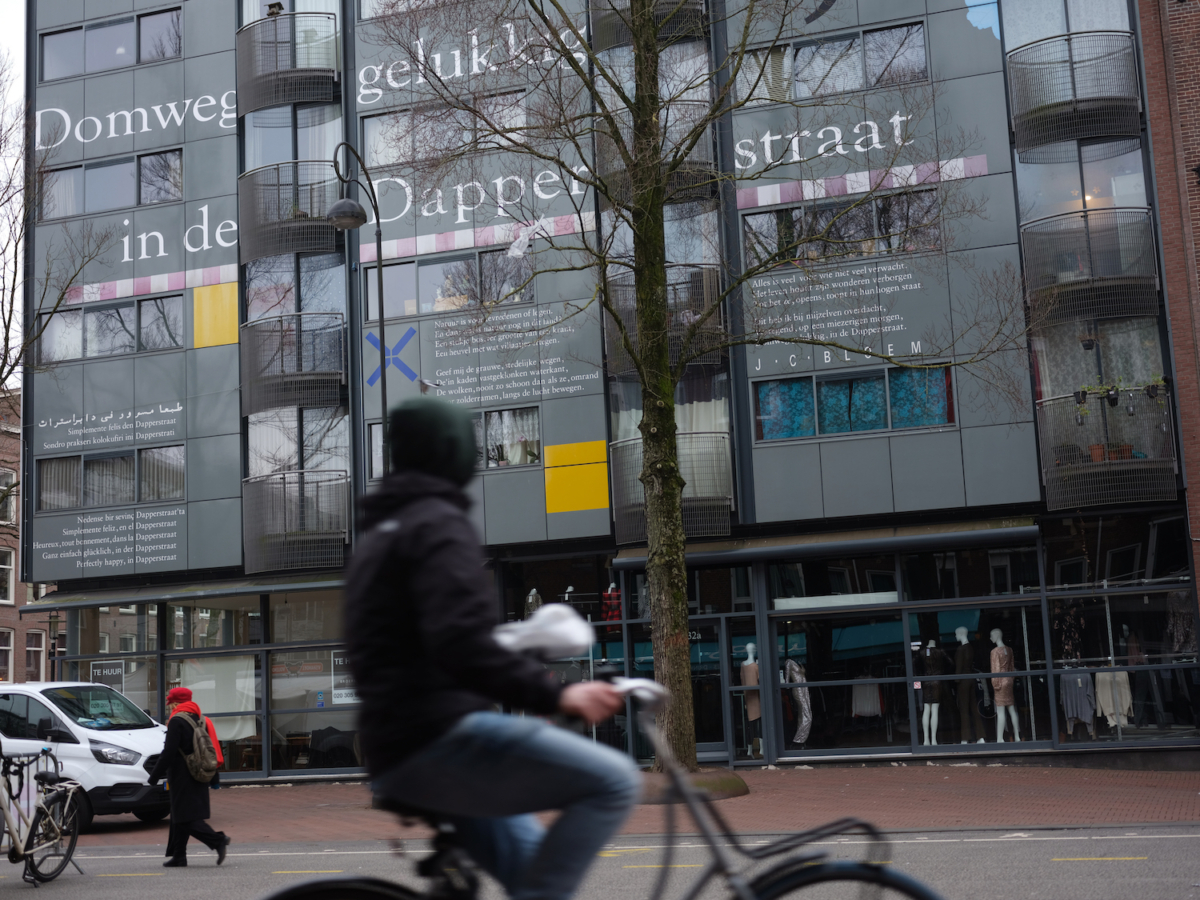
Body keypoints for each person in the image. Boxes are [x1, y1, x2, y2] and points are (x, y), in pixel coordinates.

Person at [346, 398, 640, 900]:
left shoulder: (381, 534)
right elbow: (461, 644)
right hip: (440, 739)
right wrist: (561, 698)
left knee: (529, 870)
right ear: (449, 450)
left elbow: (428, 642)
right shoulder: (436, 525)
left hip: (397, 744)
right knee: (615, 780)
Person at [147, 687, 231, 867]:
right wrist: (214, 776)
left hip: (182, 775)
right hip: (199, 772)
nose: (169, 707)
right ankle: (179, 856)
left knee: (185, 818)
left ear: (175, 703)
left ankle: (218, 840)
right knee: (181, 816)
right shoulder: (201, 718)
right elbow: (211, 747)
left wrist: (153, 776)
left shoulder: (177, 720)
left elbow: (168, 752)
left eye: (170, 703)